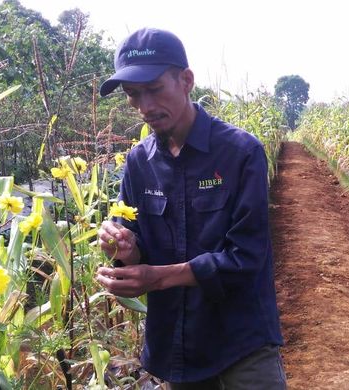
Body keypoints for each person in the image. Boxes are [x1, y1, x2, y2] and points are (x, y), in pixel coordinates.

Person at [95, 28, 285, 389]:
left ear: (186, 81)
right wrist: (125, 249)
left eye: (154, 89)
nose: (145, 106)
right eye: (133, 95)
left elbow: (247, 257)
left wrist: (157, 277)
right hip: (178, 345)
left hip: (241, 341)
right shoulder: (138, 162)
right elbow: (133, 248)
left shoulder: (240, 153)